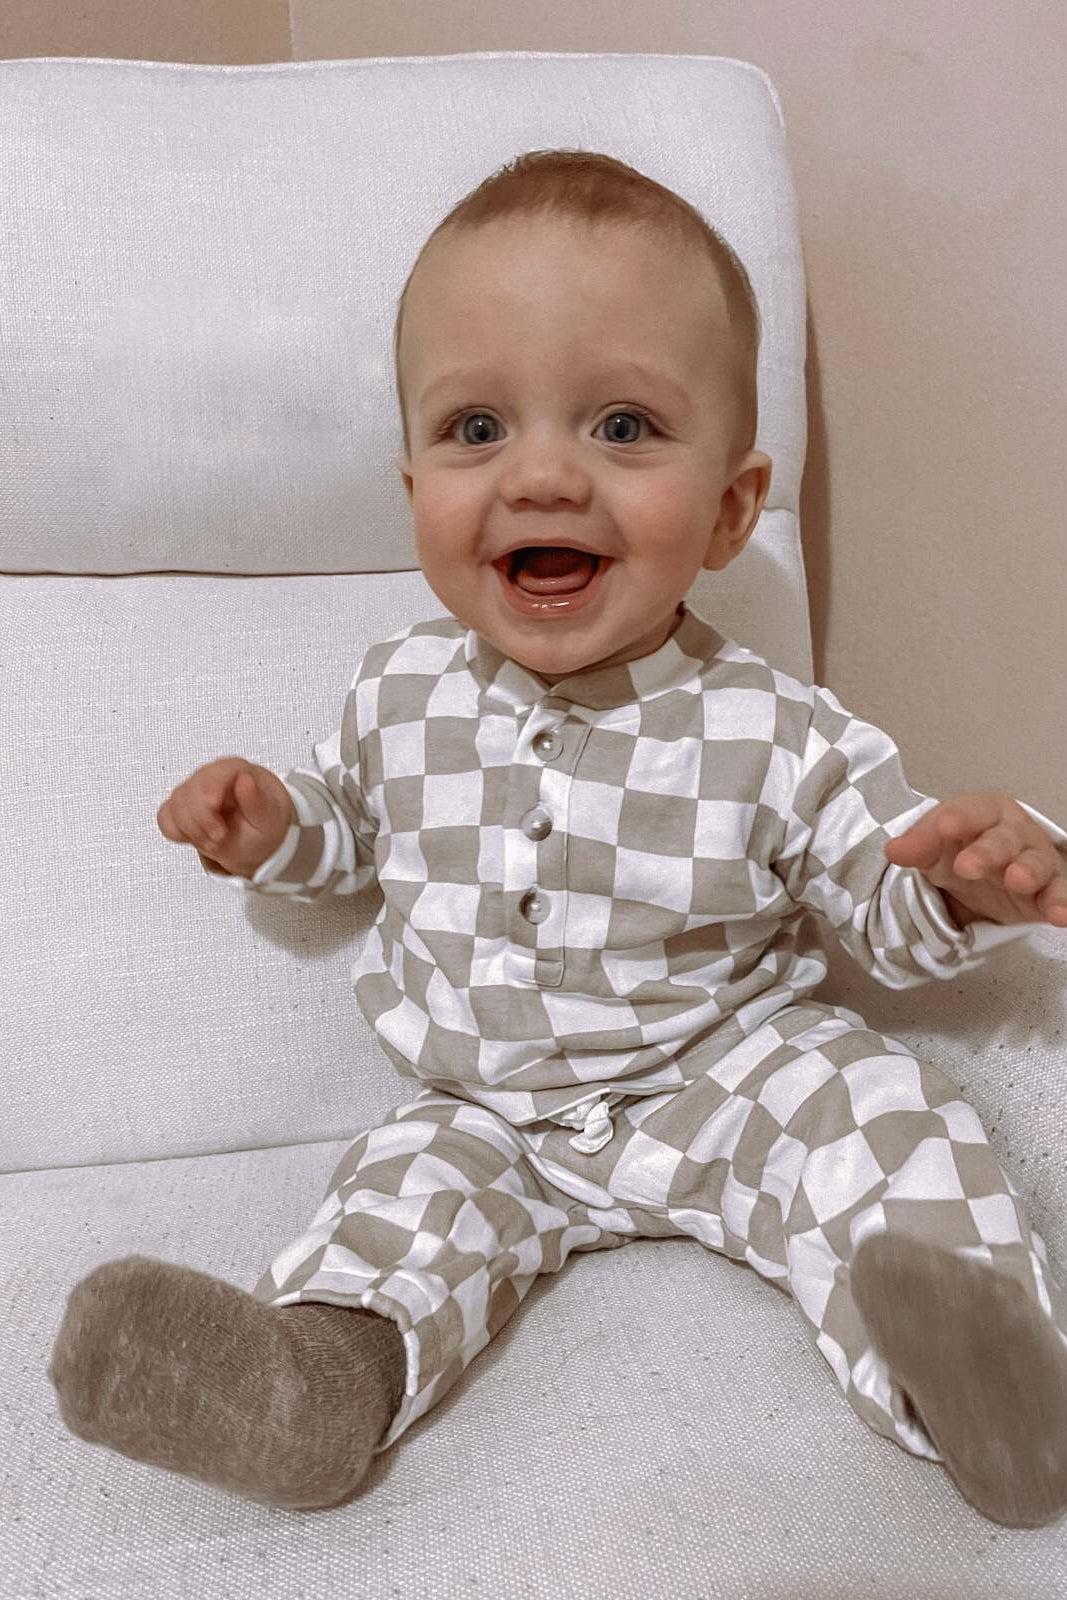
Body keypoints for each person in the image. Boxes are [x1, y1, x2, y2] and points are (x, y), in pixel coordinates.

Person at [47, 151, 1067, 1526]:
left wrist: (956, 881)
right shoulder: (396, 690)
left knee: (885, 1118)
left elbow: (871, 890)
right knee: (399, 1204)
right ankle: (315, 1381)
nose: (541, 477)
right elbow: (351, 837)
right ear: (409, 479)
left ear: (726, 509)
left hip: (723, 1076)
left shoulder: (775, 724)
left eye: (624, 426)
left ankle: (982, 1390)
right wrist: (272, 826)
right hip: (487, 1111)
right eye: (476, 429)